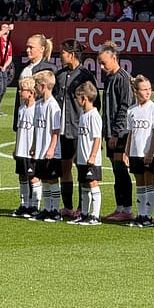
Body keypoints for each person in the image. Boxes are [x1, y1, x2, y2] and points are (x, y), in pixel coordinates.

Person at [54, 39, 94, 218]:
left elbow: (95, 102)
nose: (60, 55)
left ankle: (82, 207)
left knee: (82, 168)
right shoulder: (60, 74)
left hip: (79, 129)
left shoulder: (85, 75)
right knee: (64, 168)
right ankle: (68, 206)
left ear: (71, 54)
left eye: (62, 52)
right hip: (62, 130)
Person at [98, 40, 133, 222]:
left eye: (104, 62)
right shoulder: (111, 78)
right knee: (116, 170)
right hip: (111, 132)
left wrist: (116, 133)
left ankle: (126, 208)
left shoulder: (122, 78)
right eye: (100, 63)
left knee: (121, 170)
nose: (102, 67)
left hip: (119, 134)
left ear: (114, 58)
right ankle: (120, 207)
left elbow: (124, 108)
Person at [125, 75, 154, 227]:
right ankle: (140, 214)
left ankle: (148, 215)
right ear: (135, 91)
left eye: (149, 89)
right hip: (135, 152)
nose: (147, 92)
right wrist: (126, 152)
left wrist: (151, 152)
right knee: (139, 183)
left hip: (147, 153)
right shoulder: (131, 110)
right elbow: (130, 133)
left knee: (149, 182)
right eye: (144, 89)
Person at [30, 70, 61, 222]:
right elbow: (37, 128)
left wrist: (51, 148)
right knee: (44, 179)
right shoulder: (37, 105)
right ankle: (47, 208)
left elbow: (56, 130)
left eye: (36, 85)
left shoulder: (53, 106)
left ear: (43, 86)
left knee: (52, 180)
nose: (34, 88)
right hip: (40, 150)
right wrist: (34, 145)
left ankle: (55, 210)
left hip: (50, 151)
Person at [72, 81, 103, 226]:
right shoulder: (84, 115)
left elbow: (97, 137)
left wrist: (93, 155)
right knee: (84, 185)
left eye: (78, 98)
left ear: (84, 98)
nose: (77, 101)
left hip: (91, 159)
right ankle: (84, 213)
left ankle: (95, 216)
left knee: (92, 184)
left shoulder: (94, 115)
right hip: (82, 158)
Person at [11, 76, 37, 218]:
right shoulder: (21, 109)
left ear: (31, 92)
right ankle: (24, 204)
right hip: (21, 149)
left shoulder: (36, 109)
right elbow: (19, 131)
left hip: (30, 150)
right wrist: (16, 148)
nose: (20, 92)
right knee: (22, 176)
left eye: (23, 89)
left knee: (32, 177)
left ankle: (34, 206)